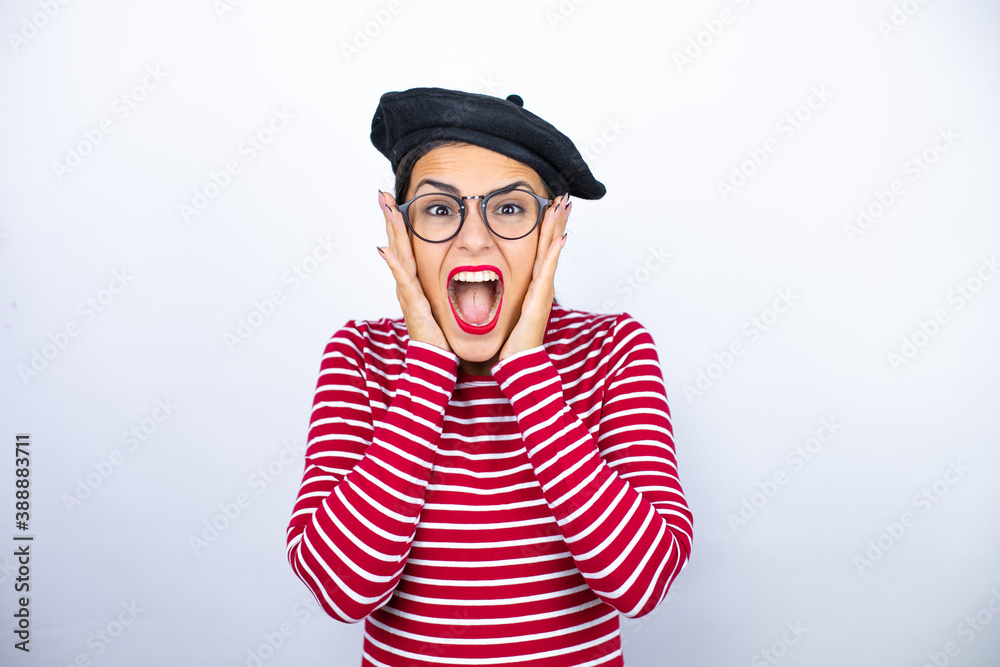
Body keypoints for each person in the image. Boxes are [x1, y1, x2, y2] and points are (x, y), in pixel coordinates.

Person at [286, 87, 693, 667]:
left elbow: (642, 582)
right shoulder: (360, 354)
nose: (474, 239)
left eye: (507, 209)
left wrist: (527, 368)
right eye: (439, 209)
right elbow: (340, 590)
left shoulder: (614, 349)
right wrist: (426, 365)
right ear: (400, 229)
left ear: (552, 228)